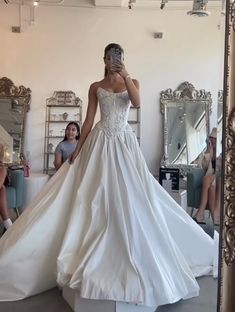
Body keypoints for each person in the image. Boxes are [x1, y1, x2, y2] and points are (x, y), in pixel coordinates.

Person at [0, 44, 218, 309]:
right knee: (95, 192)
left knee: (134, 194)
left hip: (124, 143)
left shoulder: (132, 80)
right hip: (100, 141)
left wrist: (126, 74)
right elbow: (89, 120)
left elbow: (136, 103)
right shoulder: (95, 86)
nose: (114, 60)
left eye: (119, 57)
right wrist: (77, 150)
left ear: (123, 59)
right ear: (103, 59)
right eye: (110, 57)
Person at [192, 128, 218, 224]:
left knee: (206, 179)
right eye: (211, 138)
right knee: (210, 186)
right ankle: (213, 219)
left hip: (219, 177)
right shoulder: (209, 151)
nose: (212, 140)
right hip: (213, 179)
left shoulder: (222, 151)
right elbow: (204, 166)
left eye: (215, 138)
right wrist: (209, 154)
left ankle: (200, 213)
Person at [0, 143, 12, 234]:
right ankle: (7, 224)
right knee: (2, 189)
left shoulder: (2, 168)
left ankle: (7, 225)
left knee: (2, 188)